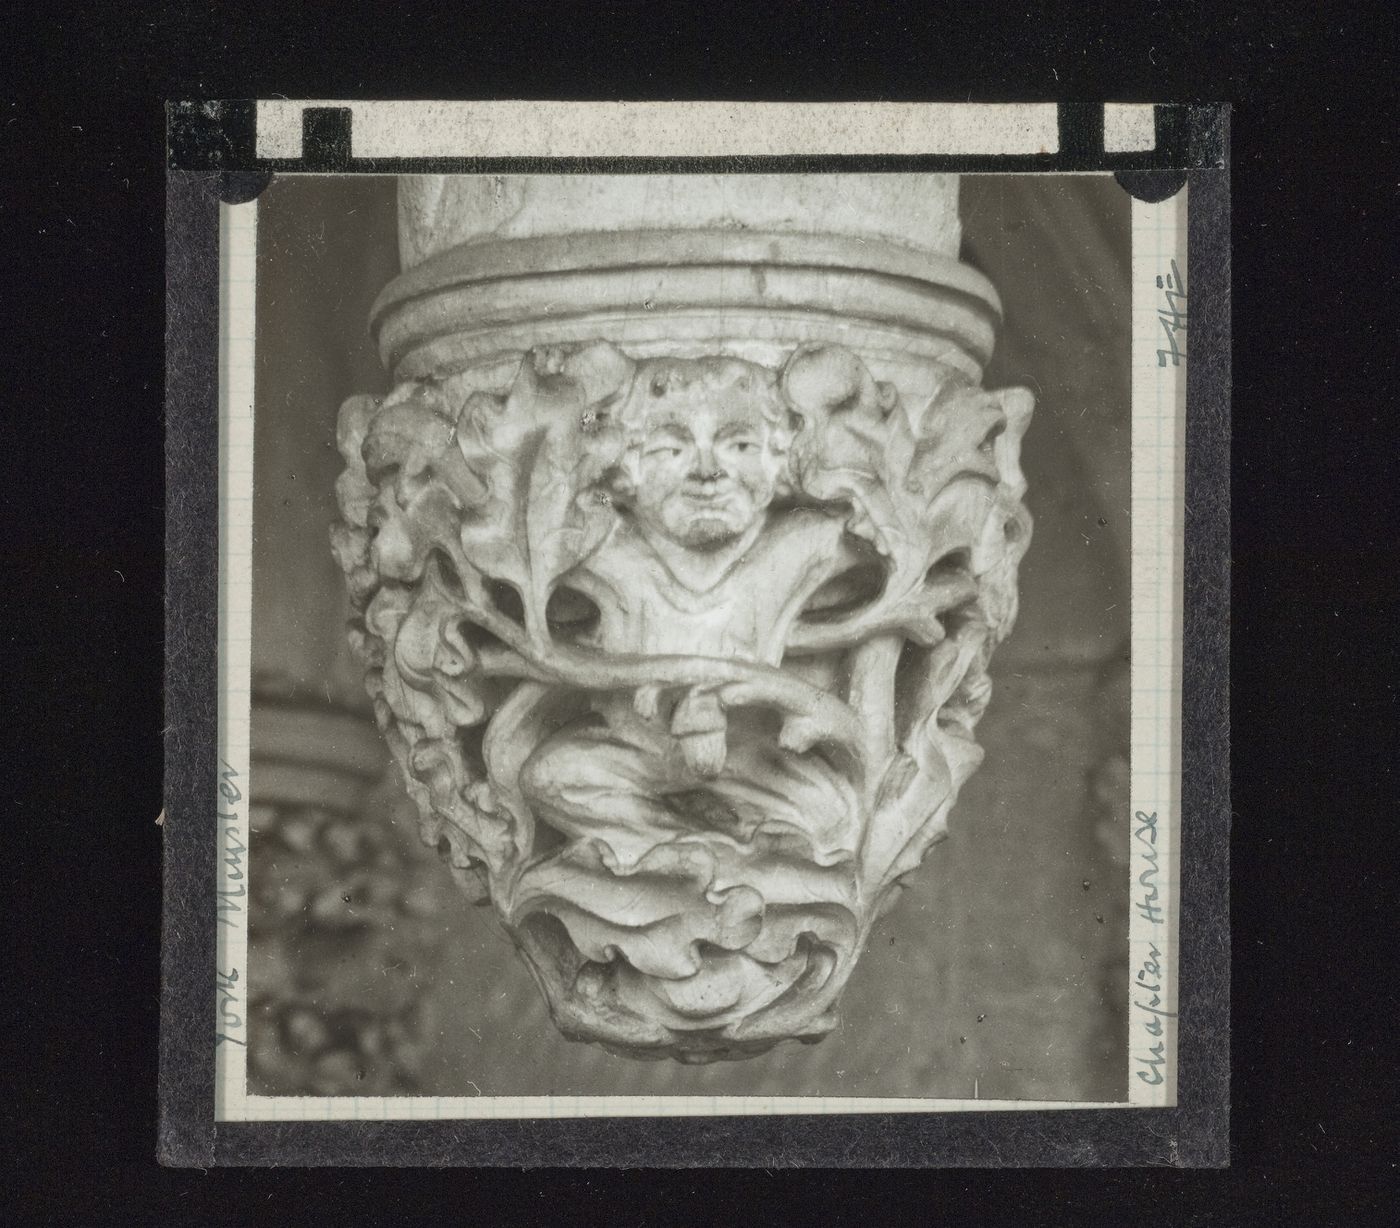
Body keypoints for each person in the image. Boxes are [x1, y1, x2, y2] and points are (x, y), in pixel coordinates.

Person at [519, 355, 860, 874]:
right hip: (638, 752)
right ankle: (685, 857)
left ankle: (703, 850)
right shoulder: (608, 551)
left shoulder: (801, 545)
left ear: (777, 456)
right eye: (670, 449)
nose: (707, 471)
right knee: (550, 774)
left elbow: (893, 541)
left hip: (755, 759)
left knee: (833, 815)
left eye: (740, 446)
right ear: (627, 465)